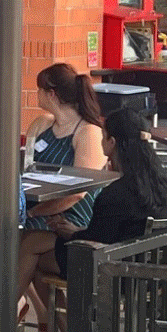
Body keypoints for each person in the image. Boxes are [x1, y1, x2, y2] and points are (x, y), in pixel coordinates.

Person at [20, 109, 167, 313]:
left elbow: (93, 241)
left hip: (109, 268)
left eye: (103, 137)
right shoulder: (164, 186)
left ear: (112, 142)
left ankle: (3, 319)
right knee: (32, 242)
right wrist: (74, 230)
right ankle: (10, 318)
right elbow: (107, 233)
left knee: (33, 257)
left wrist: (74, 233)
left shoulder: (116, 192)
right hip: (147, 269)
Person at [22, 63, 107, 232]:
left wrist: (32, 213)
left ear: (51, 94)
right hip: (34, 202)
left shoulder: (88, 133)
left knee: (20, 230)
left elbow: (78, 193)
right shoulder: (41, 124)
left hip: (70, 213)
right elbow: (25, 163)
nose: (36, 94)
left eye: (39, 89)